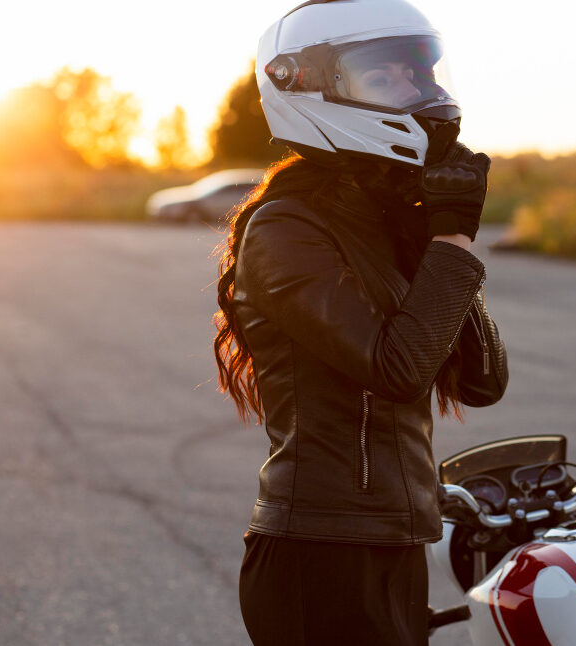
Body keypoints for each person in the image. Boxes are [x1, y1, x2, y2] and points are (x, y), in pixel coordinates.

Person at [212, 1, 509, 643]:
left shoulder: (383, 222)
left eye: (418, 74)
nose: (418, 93)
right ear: (309, 87)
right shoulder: (286, 229)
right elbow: (396, 370)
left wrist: (432, 233)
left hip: (396, 543)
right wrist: (452, 240)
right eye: (385, 78)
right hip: (320, 548)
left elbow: (484, 380)